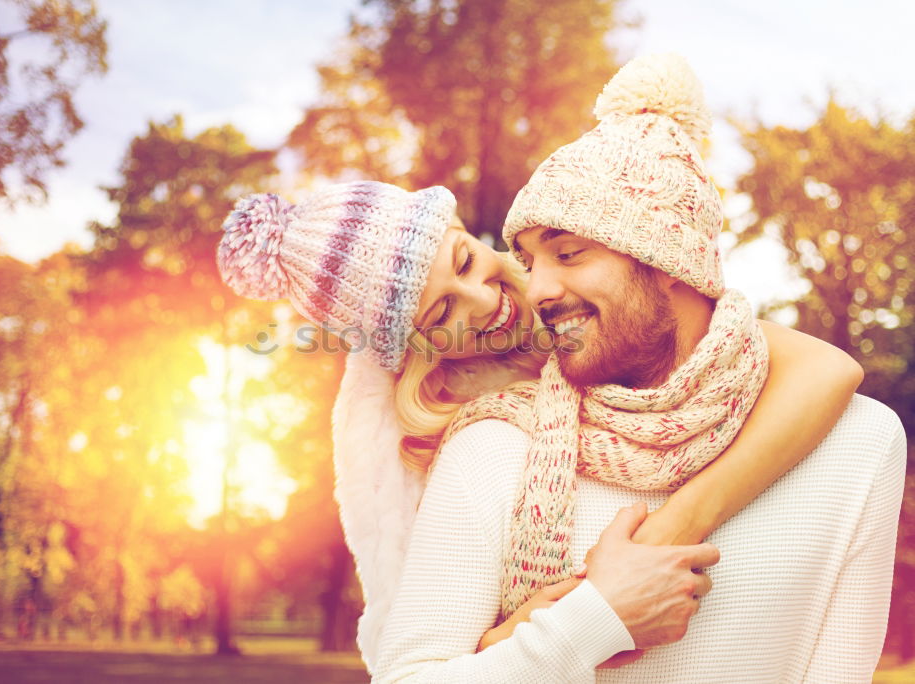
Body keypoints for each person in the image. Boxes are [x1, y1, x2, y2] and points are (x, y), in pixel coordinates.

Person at [216, 84, 862, 676]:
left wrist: (676, 528)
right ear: (412, 349)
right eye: (441, 311)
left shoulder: (596, 314)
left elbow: (827, 368)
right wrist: (540, 629)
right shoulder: (464, 442)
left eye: (465, 260)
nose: (484, 298)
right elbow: (426, 652)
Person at [370, 54, 906, 682]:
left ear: (667, 258)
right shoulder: (492, 448)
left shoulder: (861, 442)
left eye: (568, 253)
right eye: (530, 260)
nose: (536, 290)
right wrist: (589, 622)